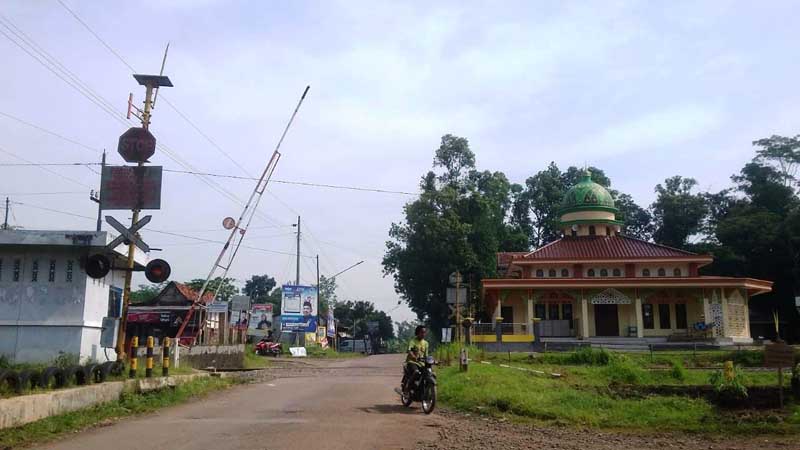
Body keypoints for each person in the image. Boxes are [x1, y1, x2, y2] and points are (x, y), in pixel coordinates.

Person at [402, 325, 429, 393]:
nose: (423, 334)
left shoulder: (426, 343)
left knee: (430, 373)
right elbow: (409, 351)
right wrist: (414, 357)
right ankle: (408, 388)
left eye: (424, 332)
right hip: (412, 362)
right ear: (417, 332)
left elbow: (426, 355)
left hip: (421, 364)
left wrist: (432, 360)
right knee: (416, 372)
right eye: (422, 332)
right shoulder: (413, 341)